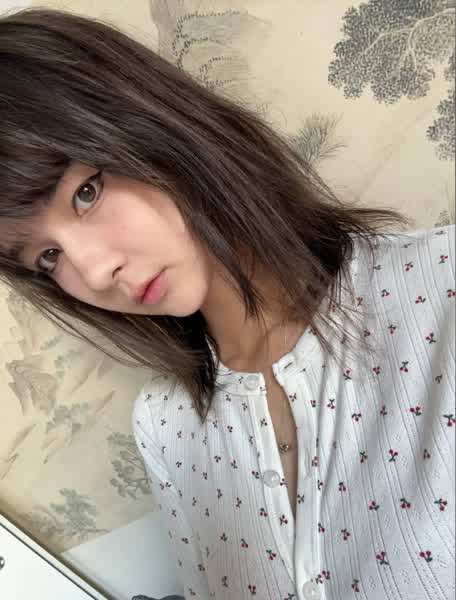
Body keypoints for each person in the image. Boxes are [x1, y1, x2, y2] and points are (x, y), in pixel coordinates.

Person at [0, 8, 453, 600]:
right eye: (47, 256)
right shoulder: (166, 426)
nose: (92, 271)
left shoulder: (441, 287)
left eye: (85, 192)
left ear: (154, 126)